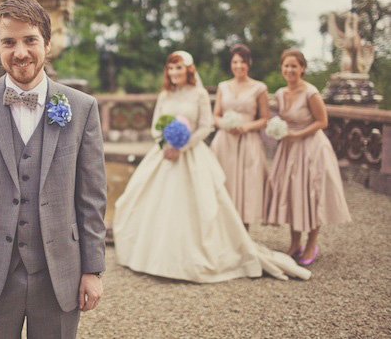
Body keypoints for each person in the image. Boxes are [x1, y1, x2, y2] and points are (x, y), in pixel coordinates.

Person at [0, 0, 107, 338]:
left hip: (60, 274)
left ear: (47, 43)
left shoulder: (82, 107)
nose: (20, 52)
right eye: (9, 42)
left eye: (30, 40)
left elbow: (91, 198)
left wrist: (93, 269)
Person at [113, 50, 311, 283]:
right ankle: (153, 256)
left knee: (199, 208)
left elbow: (206, 126)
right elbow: (156, 125)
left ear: (189, 70)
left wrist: (182, 146)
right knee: (150, 202)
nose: (174, 72)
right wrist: (165, 142)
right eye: (171, 68)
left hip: (191, 154)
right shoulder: (165, 94)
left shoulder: (198, 93)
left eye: (179, 68)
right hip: (165, 154)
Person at [264, 49, 351, 266]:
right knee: (292, 195)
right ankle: (294, 243)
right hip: (289, 150)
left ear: (302, 68)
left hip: (311, 148)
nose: (290, 70)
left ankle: (311, 244)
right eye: (286, 66)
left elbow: (322, 121)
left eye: (294, 66)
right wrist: (279, 131)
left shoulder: (310, 92)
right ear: (281, 68)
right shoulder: (281, 94)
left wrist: (297, 134)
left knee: (311, 195)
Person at [211, 44, 269, 230]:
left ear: (249, 63)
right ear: (231, 64)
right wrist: (225, 125)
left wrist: (245, 127)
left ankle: (243, 234)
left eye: (242, 62)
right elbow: (215, 115)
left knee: (246, 188)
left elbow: (265, 119)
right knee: (223, 185)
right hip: (224, 142)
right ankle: (223, 234)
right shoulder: (223, 86)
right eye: (235, 62)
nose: (238, 66)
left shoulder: (259, 88)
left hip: (247, 141)